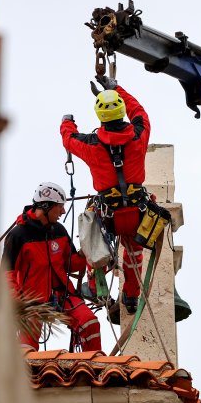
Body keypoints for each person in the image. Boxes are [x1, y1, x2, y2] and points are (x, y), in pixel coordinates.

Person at [59, 78, 151, 315]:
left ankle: (94, 283)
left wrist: (67, 122)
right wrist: (115, 88)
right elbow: (139, 112)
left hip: (108, 215)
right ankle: (131, 297)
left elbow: (69, 139)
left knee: (92, 237)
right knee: (134, 254)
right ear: (121, 111)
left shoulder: (91, 145)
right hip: (137, 211)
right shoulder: (139, 136)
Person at [1, 182, 102, 352]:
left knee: (90, 323)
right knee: (26, 348)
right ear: (46, 207)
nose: (63, 211)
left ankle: (95, 368)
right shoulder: (18, 236)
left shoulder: (59, 231)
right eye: (60, 207)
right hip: (31, 301)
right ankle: (27, 377)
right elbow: (7, 274)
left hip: (62, 295)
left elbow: (71, 264)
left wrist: (88, 253)